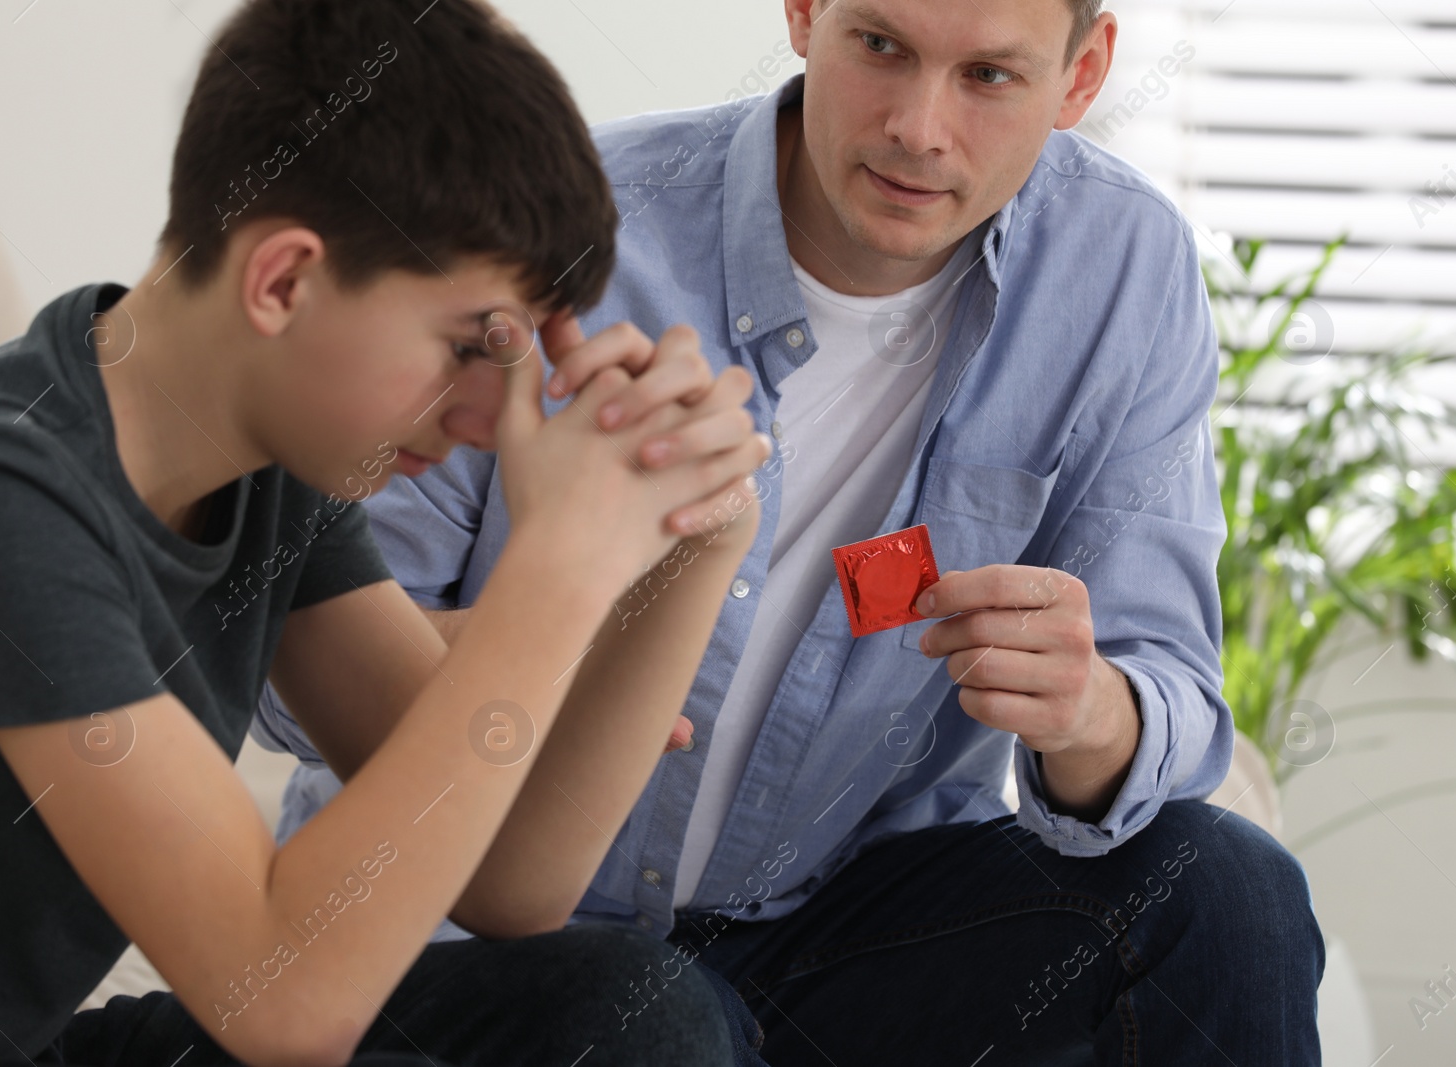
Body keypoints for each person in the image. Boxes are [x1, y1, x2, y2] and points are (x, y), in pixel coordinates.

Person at [257, 0, 1329, 1063]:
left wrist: (1090, 709)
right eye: (880, 46)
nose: (918, 125)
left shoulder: (1122, 272)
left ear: (1082, 74)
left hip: (834, 925)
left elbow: (1172, 687)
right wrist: (561, 615)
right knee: (659, 1010)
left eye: (989, 77)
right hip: (478, 926)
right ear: (805, 12)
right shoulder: (562, 232)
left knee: (1230, 888)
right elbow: (290, 684)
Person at [0, 0, 776, 1063]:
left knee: (625, 1006)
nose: (484, 422)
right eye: (465, 344)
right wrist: (560, 562)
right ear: (284, 279)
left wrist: (701, 528)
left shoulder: (269, 474)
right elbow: (286, 1007)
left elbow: (510, 878)